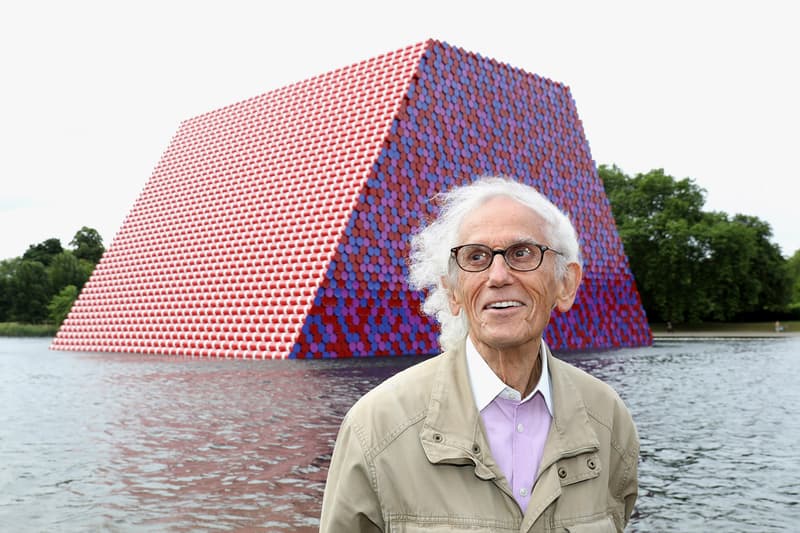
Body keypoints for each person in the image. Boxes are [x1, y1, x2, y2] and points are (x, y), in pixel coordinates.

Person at [320, 177, 639, 532]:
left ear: (565, 283)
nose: (498, 276)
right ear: (453, 292)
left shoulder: (608, 419)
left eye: (522, 253)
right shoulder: (376, 426)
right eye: (476, 257)